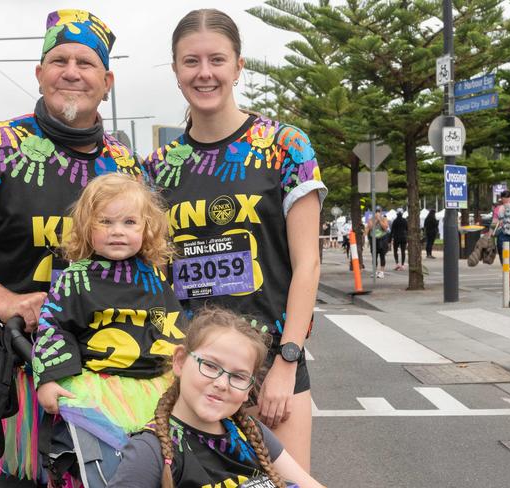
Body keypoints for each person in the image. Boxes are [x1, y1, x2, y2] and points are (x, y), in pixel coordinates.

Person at [0, 10, 142, 487]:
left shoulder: (127, 165)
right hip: (6, 379)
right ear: (39, 74)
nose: (72, 72)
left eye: (86, 62)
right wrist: (7, 303)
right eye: (59, 60)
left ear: (107, 80)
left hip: (100, 387)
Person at [143, 9, 327, 470]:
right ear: (175, 70)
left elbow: (308, 265)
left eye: (217, 60)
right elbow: (152, 272)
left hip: (269, 370)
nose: (204, 73)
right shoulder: (156, 168)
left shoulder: (285, 146)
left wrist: (287, 361)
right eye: (191, 62)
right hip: (190, 373)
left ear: (238, 66)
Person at [33, 173, 187, 486]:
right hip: (96, 390)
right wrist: (50, 379)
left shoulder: (155, 279)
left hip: (152, 386)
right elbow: (54, 328)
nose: (118, 232)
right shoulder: (75, 279)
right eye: (106, 222)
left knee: (154, 466)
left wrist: (184, 371)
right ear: (86, 226)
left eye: (130, 222)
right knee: (93, 469)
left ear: (146, 229)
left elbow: (170, 326)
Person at [108, 307, 327, 488]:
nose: (222, 384)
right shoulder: (148, 452)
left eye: (239, 377)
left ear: (249, 390)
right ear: (181, 361)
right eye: (210, 366)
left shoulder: (252, 433)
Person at [365, 206, 389, 278]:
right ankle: (375, 271)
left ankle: (381, 272)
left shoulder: (384, 218)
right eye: (376, 211)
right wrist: (376, 220)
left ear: (381, 212)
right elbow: (371, 227)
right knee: (374, 256)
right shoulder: (370, 219)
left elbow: (385, 227)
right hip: (374, 239)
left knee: (382, 255)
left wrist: (380, 220)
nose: (377, 213)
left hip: (382, 238)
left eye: (378, 211)